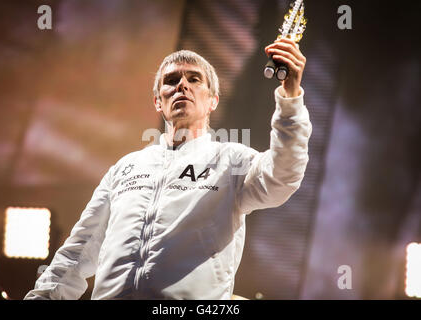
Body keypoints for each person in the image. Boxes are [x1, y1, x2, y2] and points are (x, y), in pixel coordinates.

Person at [24, 38, 312, 300]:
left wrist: (290, 97)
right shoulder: (125, 168)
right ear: (158, 102)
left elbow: (282, 177)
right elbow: (79, 249)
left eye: (194, 79)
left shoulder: (232, 160)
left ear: (212, 101)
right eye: (171, 80)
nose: (181, 86)